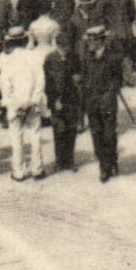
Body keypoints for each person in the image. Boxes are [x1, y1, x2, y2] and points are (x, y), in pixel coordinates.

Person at [0, 26, 46, 181]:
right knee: (35, 135)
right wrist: (32, 101)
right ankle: (37, 169)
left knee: (16, 138)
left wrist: (13, 104)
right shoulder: (36, 57)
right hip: (33, 103)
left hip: (14, 105)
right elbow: (40, 82)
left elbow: (4, 85)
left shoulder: (4, 59)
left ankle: (18, 171)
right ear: (25, 40)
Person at [78, 25, 124, 182]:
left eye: (93, 40)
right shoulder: (86, 57)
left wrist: (109, 95)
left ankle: (110, 163)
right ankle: (104, 165)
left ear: (101, 40)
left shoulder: (113, 57)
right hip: (92, 103)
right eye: (89, 40)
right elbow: (83, 79)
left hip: (107, 102)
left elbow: (118, 80)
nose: (90, 43)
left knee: (109, 135)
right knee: (96, 135)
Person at [34, 17, 79, 173]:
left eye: (66, 47)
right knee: (59, 131)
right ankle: (60, 161)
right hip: (57, 100)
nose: (65, 50)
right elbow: (47, 83)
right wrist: (53, 101)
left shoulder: (73, 57)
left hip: (72, 100)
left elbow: (78, 76)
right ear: (57, 45)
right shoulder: (50, 59)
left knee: (71, 131)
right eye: (62, 47)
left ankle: (70, 160)